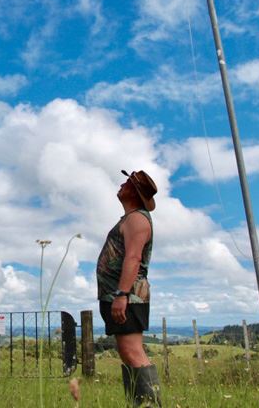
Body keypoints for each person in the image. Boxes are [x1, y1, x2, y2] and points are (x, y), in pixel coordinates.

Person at [96, 169, 161, 406]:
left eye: (127, 183)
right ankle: (140, 403)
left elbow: (133, 258)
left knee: (132, 352)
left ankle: (149, 404)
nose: (122, 185)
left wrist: (122, 294)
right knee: (127, 351)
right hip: (120, 295)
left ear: (134, 192)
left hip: (129, 296)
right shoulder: (130, 218)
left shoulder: (137, 219)